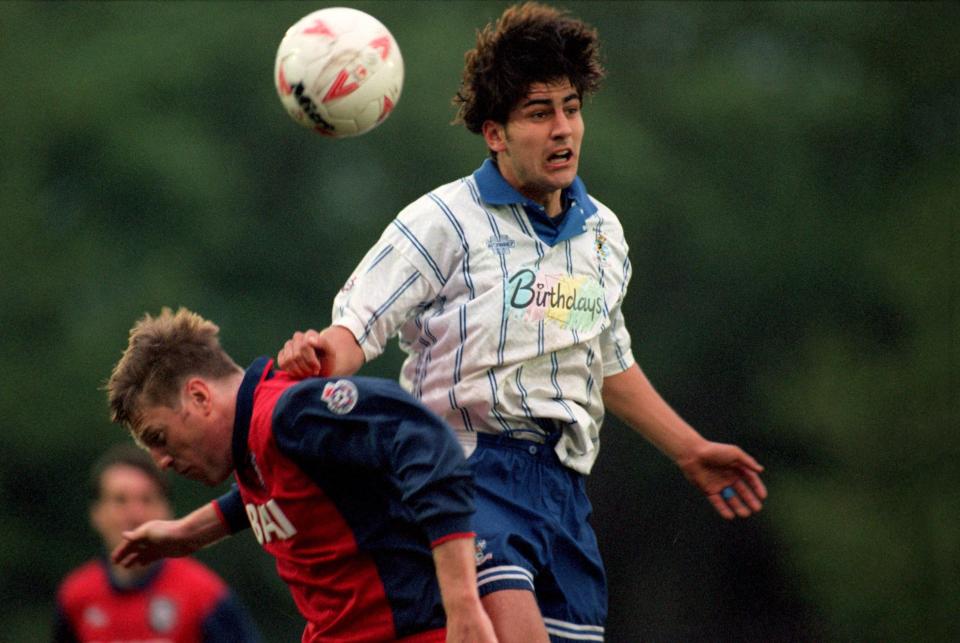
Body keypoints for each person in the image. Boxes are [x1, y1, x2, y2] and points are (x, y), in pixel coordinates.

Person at [276, 3, 769, 641]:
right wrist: (320, 355)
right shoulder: (444, 220)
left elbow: (607, 362)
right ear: (496, 133)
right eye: (539, 114)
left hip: (563, 491)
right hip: (462, 473)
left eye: (571, 107)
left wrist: (690, 448)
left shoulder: (603, 235)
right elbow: (357, 328)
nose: (563, 129)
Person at [104, 307, 497, 643]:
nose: (161, 461)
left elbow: (424, 439)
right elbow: (286, 490)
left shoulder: (289, 414)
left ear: (200, 397)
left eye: (159, 438)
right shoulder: (258, 447)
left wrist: (463, 604)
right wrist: (187, 533)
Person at [53, 443, 261, 643]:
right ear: (96, 513)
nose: (135, 515)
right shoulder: (75, 597)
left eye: (147, 500)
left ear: (168, 511)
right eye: (120, 500)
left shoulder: (204, 596)